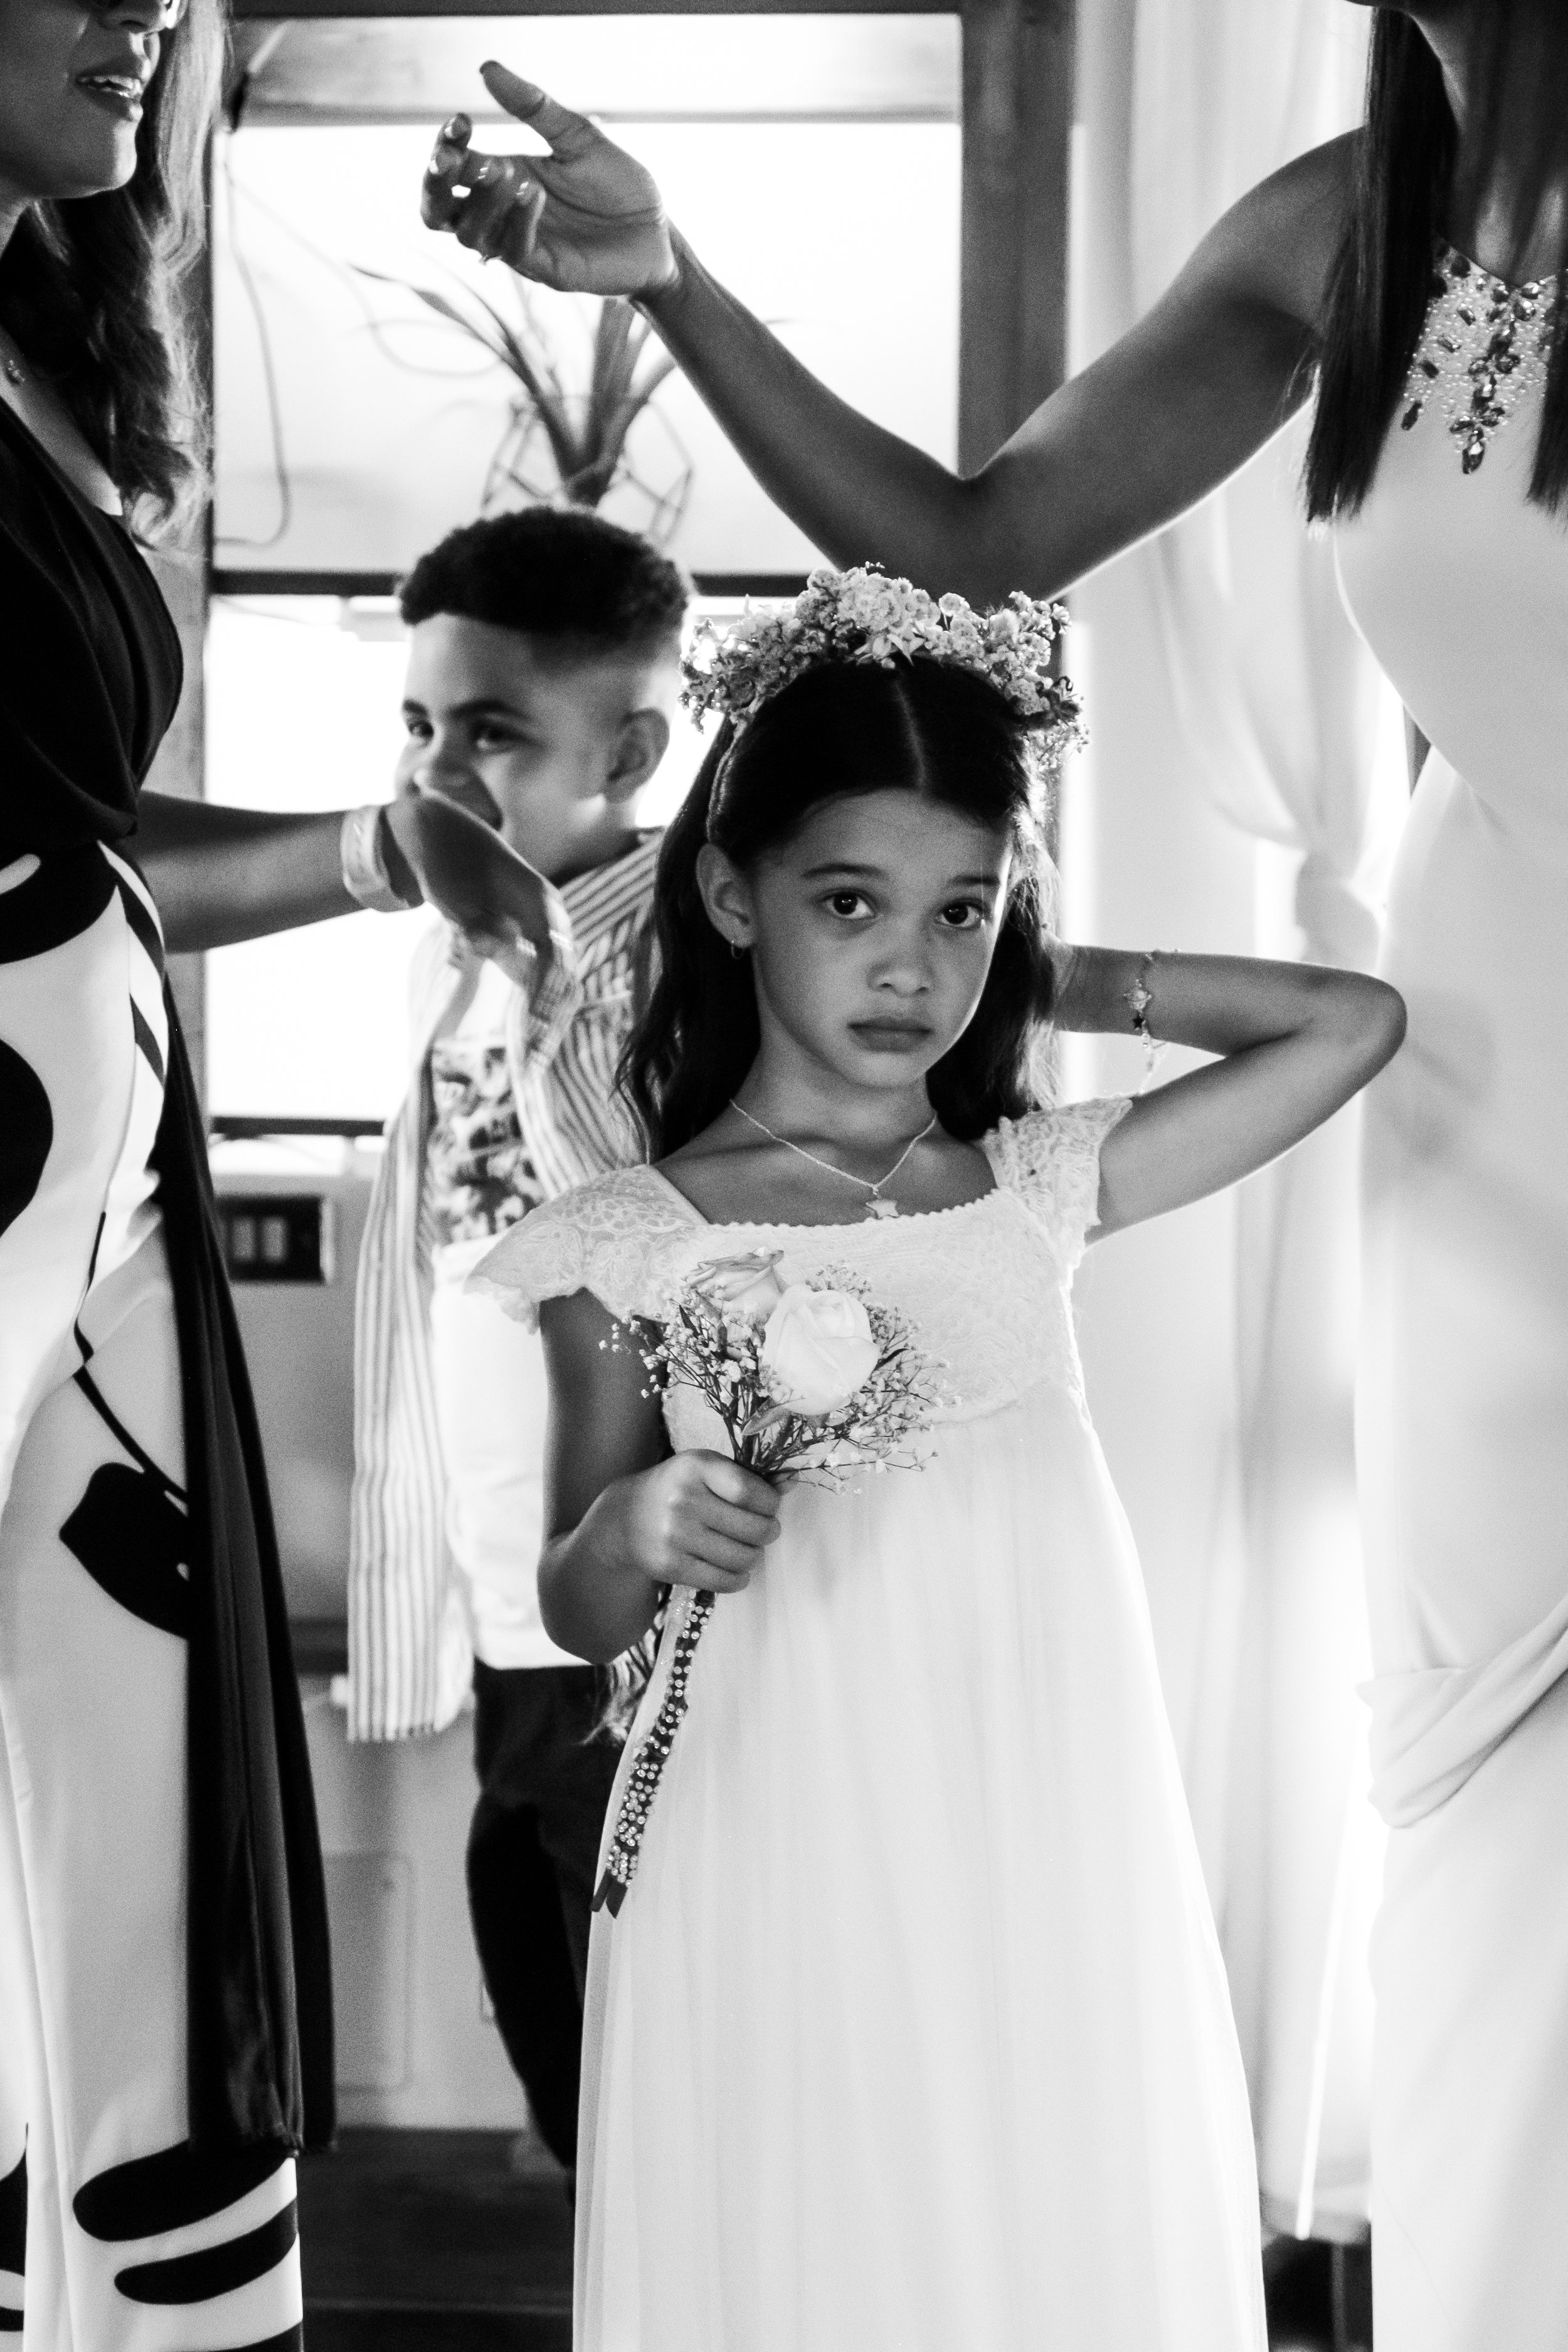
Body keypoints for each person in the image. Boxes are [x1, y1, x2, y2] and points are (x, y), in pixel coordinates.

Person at [422, 11, 1568, 2344]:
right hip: (1485, 1063)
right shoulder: (1349, 219)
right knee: (1493, 1769)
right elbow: (961, 544)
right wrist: (672, 282)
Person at [468, 576, 1406, 2352]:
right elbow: (574, 1606)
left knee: (1031, 2160)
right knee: (818, 2178)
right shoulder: (626, 1235)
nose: (908, 966)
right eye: (848, 904)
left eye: (957, 912)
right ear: (734, 897)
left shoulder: (1029, 1185)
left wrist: (1049, 971)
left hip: (1035, 1793)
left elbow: (1347, 1022)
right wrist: (642, 1518)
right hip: (779, 1801)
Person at [0, 4, 565, 2339]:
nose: (142, 11)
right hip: (16, 1147)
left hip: (79, 1149)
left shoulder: (43, 347)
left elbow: (65, 829)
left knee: (92, 1759)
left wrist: (371, 845)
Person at [347, 506, 689, 2190]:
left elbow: (651, 1290)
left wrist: (594, 1582)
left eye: (491, 729)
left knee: (638, 2067)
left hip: (606, 1604)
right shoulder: (454, 946)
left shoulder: (651, 963)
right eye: (418, 724)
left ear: (627, 747)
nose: (439, 768)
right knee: (559, 2038)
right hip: (502, 1590)